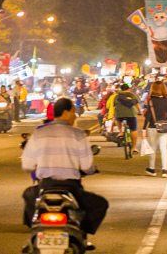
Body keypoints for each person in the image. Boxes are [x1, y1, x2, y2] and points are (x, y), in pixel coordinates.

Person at [21, 98, 108, 246]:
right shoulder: (78, 134)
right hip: (71, 188)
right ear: (66, 113)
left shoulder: (38, 134)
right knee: (100, 204)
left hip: (45, 187)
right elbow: (87, 166)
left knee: (28, 196)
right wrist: (91, 170)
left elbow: (27, 165)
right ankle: (82, 235)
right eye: (73, 112)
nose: (75, 116)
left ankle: (33, 236)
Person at [143, 81, 167, 177]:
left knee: (153, 148)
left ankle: (152, 169)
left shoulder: (151, 100)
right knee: (164, 148)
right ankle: (165, 170)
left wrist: (144, 129)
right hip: (164, 126)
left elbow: (148, 115)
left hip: (152, 127)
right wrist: (165, 122)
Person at [108, 83, 141, 155]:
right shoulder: (132, 95)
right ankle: (134, 148)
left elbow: (114, 107)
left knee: (118, 120)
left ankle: (120, 132)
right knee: (134, 130)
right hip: (131, 114)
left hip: (120, 114)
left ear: (121, 89)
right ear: (128, 89)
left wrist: (114, 115)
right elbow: (137, 104)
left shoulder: (117, 96)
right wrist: (139, 112)